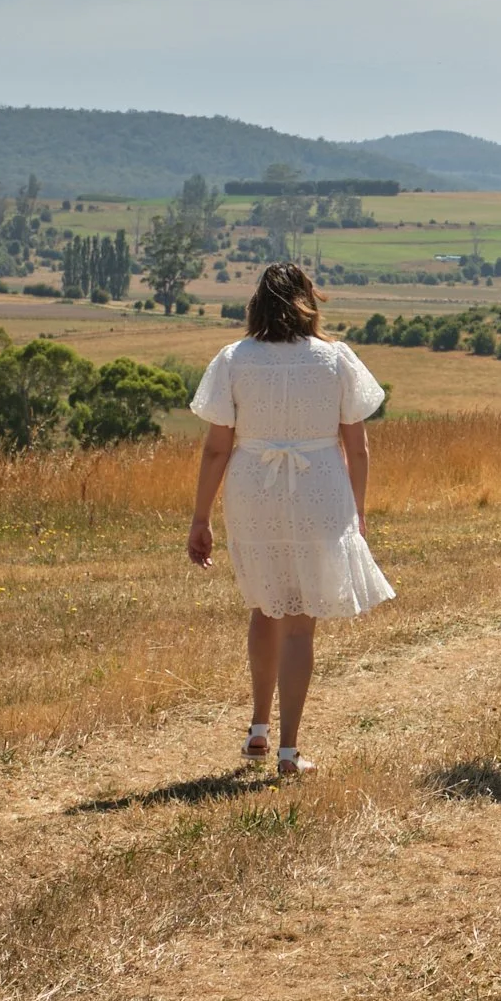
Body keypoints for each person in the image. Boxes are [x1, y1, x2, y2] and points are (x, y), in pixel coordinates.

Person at [187, 262, 392, 777]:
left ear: (257, 303)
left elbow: (216, 450)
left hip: (252, 487)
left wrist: (200, 517)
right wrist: (358, 510)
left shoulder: (233, 359)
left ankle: (258, 729)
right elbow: (357, 446)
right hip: (318, 486)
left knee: (265, 606)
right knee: (301, 625)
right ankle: (288, 750)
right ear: (309, 302)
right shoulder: (336, 359)